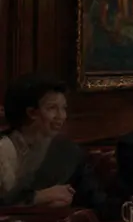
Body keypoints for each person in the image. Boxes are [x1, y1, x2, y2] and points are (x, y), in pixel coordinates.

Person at [0, 75, 105, 214]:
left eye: (63, 108)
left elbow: (95, 201)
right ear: (31, 112)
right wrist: (39, 198)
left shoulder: (67, 150)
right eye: (52, 108)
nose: (61, 116)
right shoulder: (4, 150)